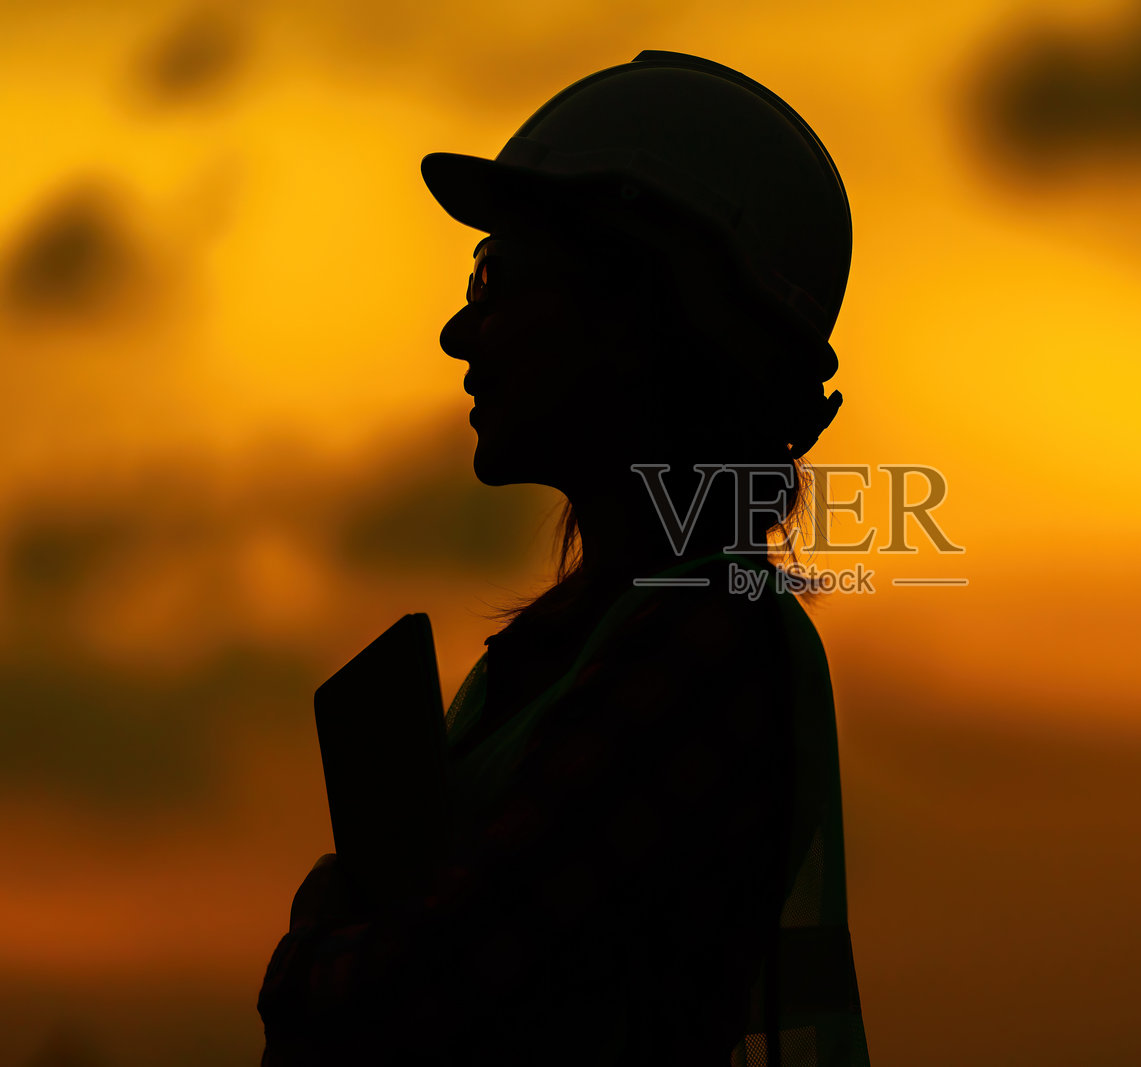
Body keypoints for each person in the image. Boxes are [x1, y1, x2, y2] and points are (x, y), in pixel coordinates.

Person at [256, 51, 869, 1065]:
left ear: (640, 316)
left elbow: (421, 993)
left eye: (496, 276)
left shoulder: (702, 645)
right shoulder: (583, 650)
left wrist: (312, 944)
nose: (461, 330)